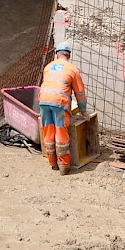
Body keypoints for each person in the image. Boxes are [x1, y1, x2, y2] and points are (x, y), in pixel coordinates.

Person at [38, 44, 87, 175]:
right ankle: (64, 166)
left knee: (48, 131)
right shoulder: (72, 69)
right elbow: (80, 92)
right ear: (69, 56)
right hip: (59, 103)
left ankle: (52, 163)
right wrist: (83, 111)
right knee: (60, 132)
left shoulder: (48, 67)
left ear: (57, 54)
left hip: (43, 101)